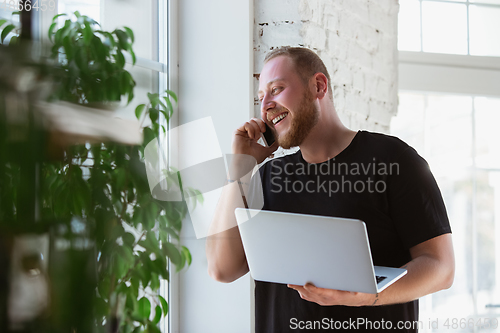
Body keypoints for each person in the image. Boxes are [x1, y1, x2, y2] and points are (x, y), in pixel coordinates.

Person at [206, 46, 455, 332]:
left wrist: (368, 297)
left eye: (276, 89)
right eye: (261, 98)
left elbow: (441, 268)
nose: (265, 106)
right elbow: (221, 269)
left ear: (318, 86)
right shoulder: (267, 177)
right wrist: (240, 166)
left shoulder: (394, 160)